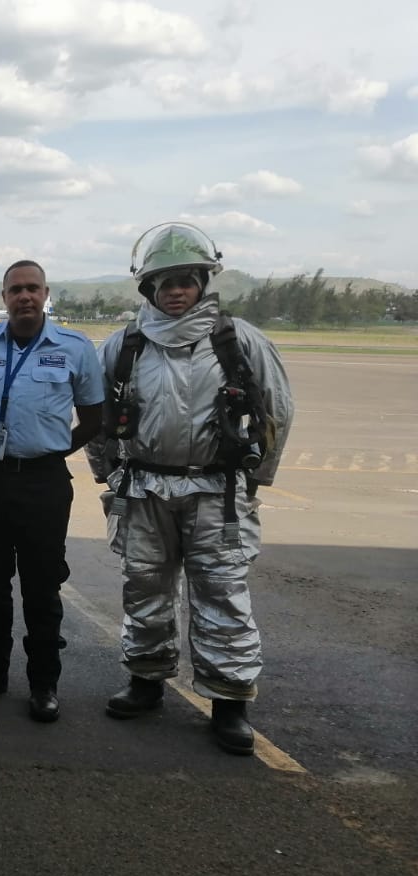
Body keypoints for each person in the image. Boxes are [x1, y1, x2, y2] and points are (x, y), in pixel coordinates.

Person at [85, 222, 294, 755]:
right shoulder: (125, 345)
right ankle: (146, 681)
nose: (176, 291)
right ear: (148, 289)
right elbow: (98, 416)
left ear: (203, 281)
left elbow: (276, 411)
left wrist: (254, 479)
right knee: (144, 589)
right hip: (143, 489)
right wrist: (108, 474)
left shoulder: (237, 340)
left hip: (216, 492)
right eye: (165, 282)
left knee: (222, 595)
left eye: (186, 279)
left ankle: (228, 703)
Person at [0, 260, 104, 722]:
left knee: (42, 587)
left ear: (46, 294)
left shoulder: (76, 348)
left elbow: (94, 419)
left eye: (33, 289)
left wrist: (52, 450)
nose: (25, 297)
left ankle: (44, 685)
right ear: (3, 297)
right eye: (16, 289)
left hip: (44, 481)